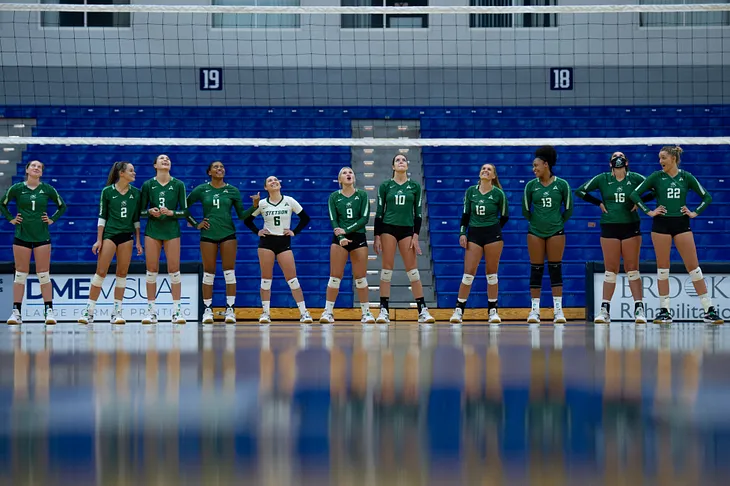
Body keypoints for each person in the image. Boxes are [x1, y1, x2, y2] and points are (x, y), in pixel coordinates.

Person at [629, 145, 722, 324]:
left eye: (663, 158)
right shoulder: (656, 176)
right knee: (663, 269)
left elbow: (707, 197)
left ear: (673, 158)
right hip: (661, 225)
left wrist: (695, 212)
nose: (660, 161)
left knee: (694, 268)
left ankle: (709, 310)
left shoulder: (686, 177)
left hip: (681, 224)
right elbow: (634, 194)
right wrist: (649, 211)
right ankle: (665, 311)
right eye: (659, 158)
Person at [576, 152, 656, 324]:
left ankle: (639, 310)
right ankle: (605, 310)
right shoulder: (602, 178)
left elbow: (655, 189)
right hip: (609, 226)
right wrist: (598, 203)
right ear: (610, 163)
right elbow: (580, 191)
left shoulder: (635, 178)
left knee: (632, 269)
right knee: (610, 270)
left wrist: (639, 202)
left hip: (631, 226)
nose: (618, 158)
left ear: (627, 162)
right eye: (614, 156)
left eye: (621, 156)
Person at [186, 160, 259, 324]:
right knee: (209, 272)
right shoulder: (201, 189)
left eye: (222, 167)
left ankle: (230, 309)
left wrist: (254, 206)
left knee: (229, 272)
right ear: (209, 172)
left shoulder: (232, 190)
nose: (220, 169)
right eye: (216, 167)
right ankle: (207, 310)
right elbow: (184, 206)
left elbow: (241, 215)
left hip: (228, 234)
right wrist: (195, 223)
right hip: (208, 235)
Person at [0, 160, 66, 325]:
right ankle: (16, 313)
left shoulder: (47, 189)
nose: (36, 168)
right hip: (21, 235)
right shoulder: (17, 188)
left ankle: (49, 312)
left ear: (41, 173)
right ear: (27, 170)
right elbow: (2, 204)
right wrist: (11, 218)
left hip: (42, 236)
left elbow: (62, 206)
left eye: (40, 167)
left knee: (43, 275)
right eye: (33, 166)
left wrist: (52, 219)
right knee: (20, 275)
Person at [78, 161, 143, 325]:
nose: (134, 173)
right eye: (131, 171)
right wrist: (99, 240)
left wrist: (138, 241)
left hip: (126, 236)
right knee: (100, 272)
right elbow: (102, 216)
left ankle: (117, 312)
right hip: (110, 235)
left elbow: (136, 219)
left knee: (122, 274)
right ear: (121, 173)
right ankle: (89, 311)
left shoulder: (136, 193)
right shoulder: (107, 191)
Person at [374, 154, 435, 325]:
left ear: (407, 166)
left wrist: (415, 236)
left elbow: (418, 214)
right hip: (388, 228)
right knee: (387, 269)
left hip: (407, 230)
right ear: (393, 166)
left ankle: (422, 309)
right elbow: (379, 212)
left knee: (413, 271)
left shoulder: (414, 186)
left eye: (404, 160)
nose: (401, 162)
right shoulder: (385, 186)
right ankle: (383, 310)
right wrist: (376, 236)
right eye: (397, 160)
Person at [244, 175, 313, 324]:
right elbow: (247, 219)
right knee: (266, 280)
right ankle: (265, 313)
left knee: (293, 280)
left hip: (283, 242)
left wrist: (294, 231)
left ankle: (304, 312)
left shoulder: (289, 201)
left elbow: (305, 218)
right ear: (265, 187)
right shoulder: (262, 204)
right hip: (266, 243)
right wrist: (258, 231)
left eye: (276, 180)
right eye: (269, 181)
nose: (274, 182)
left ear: (280, 184)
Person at [449, 163, 509, 325]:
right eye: (483, 168)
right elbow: (465, 214)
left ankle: (493, 311)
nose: (485, 171)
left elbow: (504, 216)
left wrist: (493, 230)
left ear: (493, 176)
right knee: (468, 273)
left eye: (489, 170)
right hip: (474, 234)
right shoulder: (471, 192)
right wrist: (463, 232)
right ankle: (459, 310)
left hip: (493, 235)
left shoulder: (498, 194)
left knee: (492, 274)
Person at [522, 146, 573, 324]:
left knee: (555, 269)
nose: (533, 169)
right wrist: (537, 222)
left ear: (546, 164)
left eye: (536, 165)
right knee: (536, 270)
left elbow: (568, 209)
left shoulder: (562, 184)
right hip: (535, 231)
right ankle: (534, 311)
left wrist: (556, 222)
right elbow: (526, 210)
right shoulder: (530, 186)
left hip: (556, 231)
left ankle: (558, 310)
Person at [139, 154, 190, 325]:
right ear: (155, 165)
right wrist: (150, 212)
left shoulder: (179, 184)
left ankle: (176, 311)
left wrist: (172, 213)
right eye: (161, 159)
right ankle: (151, 311)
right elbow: (140, 211)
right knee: (151, 270)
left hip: (172, 231)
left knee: (174, 270)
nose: (166, 160)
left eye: (168, 158)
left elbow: (185, 211)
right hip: (153, 230)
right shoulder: (148, 185)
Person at [321, 167, 375, 324]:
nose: (348, 174)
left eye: (351, 172)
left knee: (360, 277)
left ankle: (366, 313)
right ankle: (328, 312)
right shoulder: (333, 197)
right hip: (339, 239)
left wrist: (347, 230)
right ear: (339, 180)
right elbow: (333, 220)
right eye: (344, 173)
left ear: (354, 177)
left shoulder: (362, 195)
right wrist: (342, 236)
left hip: (358, 237)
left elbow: (364, 219)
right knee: (335, 277)